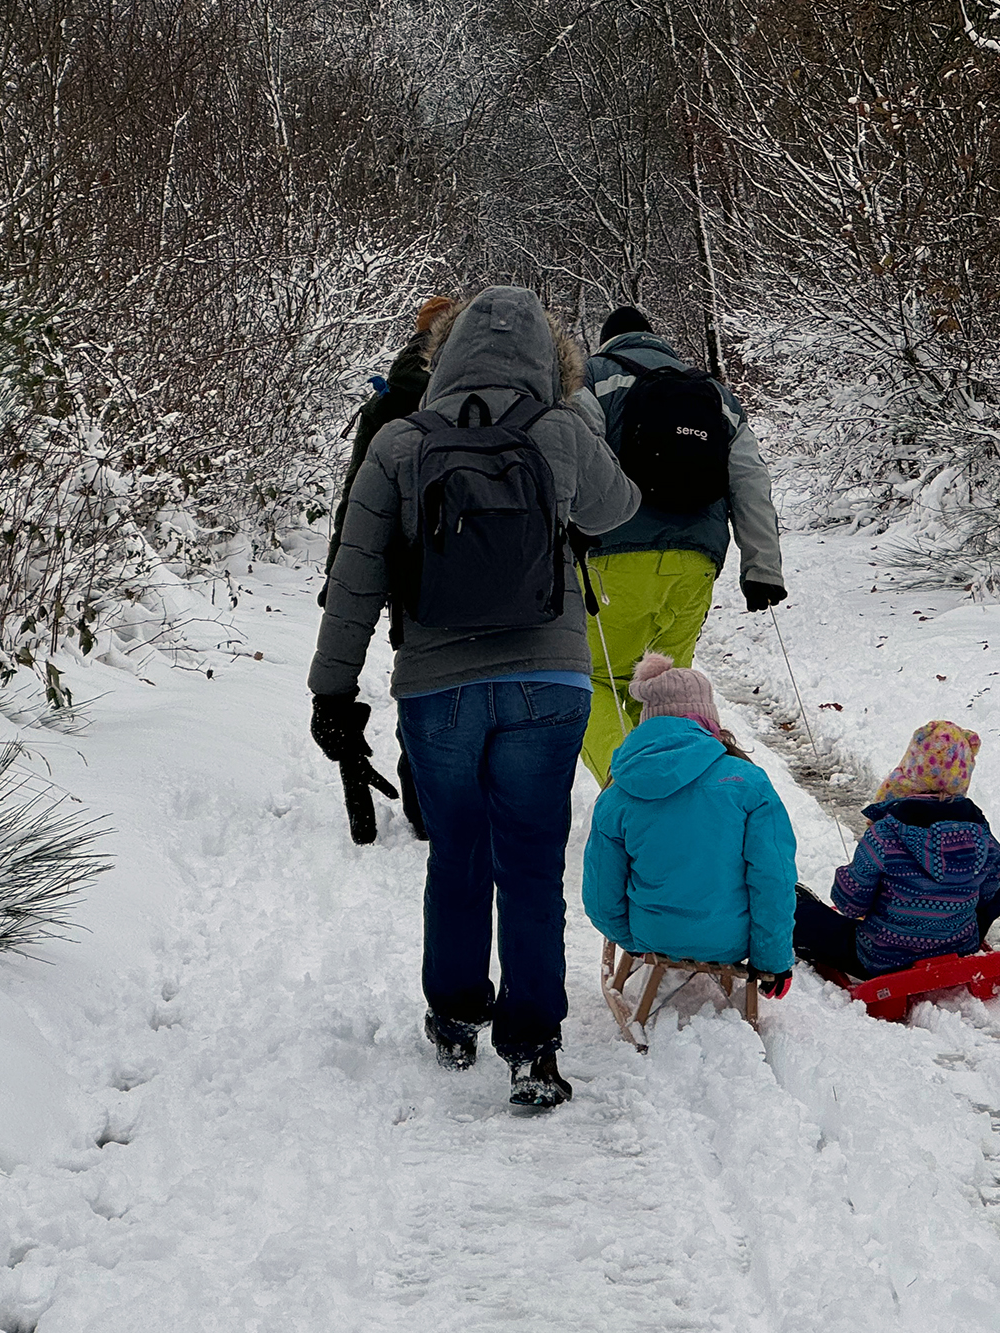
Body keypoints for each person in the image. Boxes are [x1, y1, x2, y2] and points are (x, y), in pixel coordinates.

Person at [308, 287, 640, 1110]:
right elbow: (620, 507)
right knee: (529, 859)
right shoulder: (560, 430)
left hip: (438, 687)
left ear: (444, 356)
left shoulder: (398, 443)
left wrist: (333, 691)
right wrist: (581, 418)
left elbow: (355, 577)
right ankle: (532, 1046)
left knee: (457, 849)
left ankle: (455, 1013)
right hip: (547, 682)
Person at [578, 306, 787, 784]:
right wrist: (763, 568)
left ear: (609, 341)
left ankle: (628, 791)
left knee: (594, 680)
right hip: (695, 563)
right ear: (656, 339)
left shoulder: (591, 377)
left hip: (612, 559)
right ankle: (683, 794)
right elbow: (750, 481)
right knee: (666, 687)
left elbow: (576, 456)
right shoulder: (714, 393)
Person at [582, 654, 797, 1000]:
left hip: (652, 934)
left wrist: (631, 939)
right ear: (706, 718)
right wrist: (772, 961)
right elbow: (773, 879)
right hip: (731, 941)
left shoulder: (618, 792)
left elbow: (599, 893)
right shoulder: (748, 782)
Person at [321, 295, 456, 841]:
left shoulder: (388, 402)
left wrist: (342, 575)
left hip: (406, 565)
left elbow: (359, 496)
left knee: (417, 667)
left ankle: (420, 792)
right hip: (469, 557)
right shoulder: (473, 393)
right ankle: (437, 791)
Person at [792, 721, 1000, 980]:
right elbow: (996, 889)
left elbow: (851, 904)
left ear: (911, 770)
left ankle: (795, 908)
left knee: (803, 918)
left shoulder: (886, 833)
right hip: (958, 946)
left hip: (884, 957)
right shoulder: (981, 835)